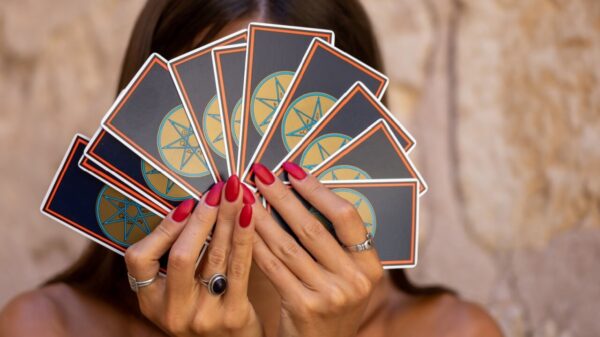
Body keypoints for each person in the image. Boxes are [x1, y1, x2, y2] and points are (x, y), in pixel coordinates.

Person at [0, 1, 503, 336]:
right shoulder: (48, 326)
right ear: (145, 117)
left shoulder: (453, 330)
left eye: (279, 118)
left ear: (358, 127)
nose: (244, 166)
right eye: (213, 114)